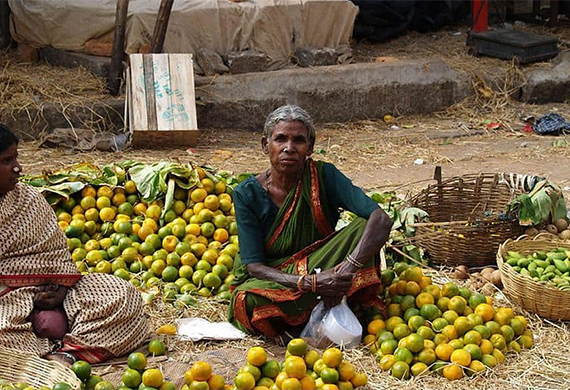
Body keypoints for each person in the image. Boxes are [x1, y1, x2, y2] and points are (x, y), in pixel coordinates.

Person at [228, 105, 393, 337]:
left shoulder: (323, 176)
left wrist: (347, 269)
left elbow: (381, 218)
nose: (289, 148)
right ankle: (320, 302)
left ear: (310, 147)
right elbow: (254, 266)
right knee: (248, 302)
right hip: (278, 276)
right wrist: (309, 283)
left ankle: (330, 297)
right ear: (266, 145)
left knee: (365, 226)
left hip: (325, 264)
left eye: (299, 140)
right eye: (280, 139)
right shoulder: (247, 194)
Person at [0, 124, 149, 365]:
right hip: (7, 304)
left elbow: (57, 255)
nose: (18, 167)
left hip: (58, 295)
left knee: (124, 297)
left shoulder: (29, 199)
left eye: (16, 157)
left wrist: (61, 286)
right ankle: (40, 354)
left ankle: (69, 352)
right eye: (7, 160)